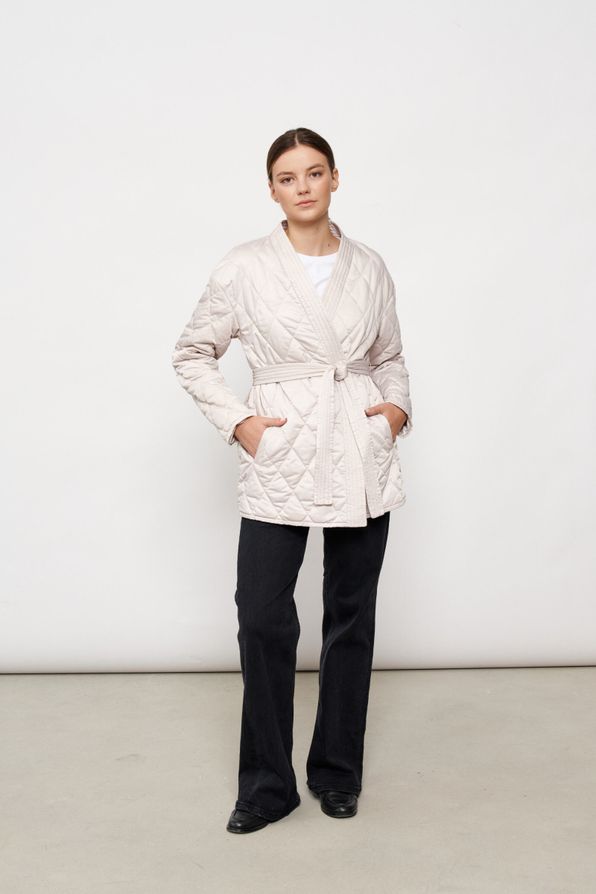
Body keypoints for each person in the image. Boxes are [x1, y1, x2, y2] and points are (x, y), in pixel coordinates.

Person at [171, 127, 413, 834]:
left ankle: (337, 772)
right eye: (287, 177)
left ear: (335, 178)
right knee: (262, 616)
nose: (302, 186)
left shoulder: (370, 267)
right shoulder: (243, 267)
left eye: (314, 172)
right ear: (272, 189)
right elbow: (192, 353)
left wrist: (395, 411)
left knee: (351, 616)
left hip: (359, 450)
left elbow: (389, 356)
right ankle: (267, 786)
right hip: (281, 450)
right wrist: (240, 421)